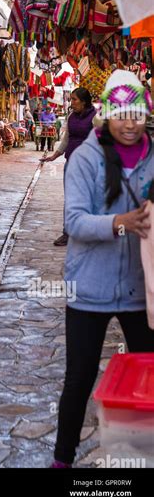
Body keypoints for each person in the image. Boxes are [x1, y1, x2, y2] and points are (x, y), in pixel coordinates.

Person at [51, 70, 154, 468]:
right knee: (78, 380)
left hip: (137, 289)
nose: (130, 122)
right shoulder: (85, 158)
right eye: (122, 112)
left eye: (137, 113)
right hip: (88, 290)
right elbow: (74, 222)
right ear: (108, 112)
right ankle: (63, 460)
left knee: (148, 375)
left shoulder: (151, 158)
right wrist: (120, 222)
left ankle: (139, 458)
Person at [41, 88, 97, 246]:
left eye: (74, 100)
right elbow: (66, 140)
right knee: (70, 199)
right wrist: (54, 156)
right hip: (71, 162)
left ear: (84, 101)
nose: (71, 103)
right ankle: (67, 233)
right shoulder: (72, 117)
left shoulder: (95, 118)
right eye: (71, 99)